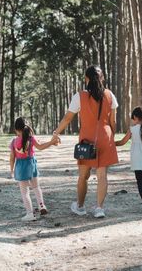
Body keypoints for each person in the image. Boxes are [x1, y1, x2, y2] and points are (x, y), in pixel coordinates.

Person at [52, 65, 118, 218]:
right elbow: (112, 121)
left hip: (87, 140)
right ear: (102, 78)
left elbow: (68, 118)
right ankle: (99, 208)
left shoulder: (79, 96)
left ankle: (80, 206)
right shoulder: (110, 95)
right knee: (102, 175)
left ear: (86, 79)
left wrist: (56, 132)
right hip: (106, 136)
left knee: (83, 176)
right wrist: (111, 137)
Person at [9, 117, 59, 222]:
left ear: (16, 129)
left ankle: (30, 214)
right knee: (36, 187)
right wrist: (51, 142)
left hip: (21, 167)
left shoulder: (14, 141)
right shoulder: (31, 139)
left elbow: (12, 158)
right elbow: (40, 147)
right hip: (31, 164)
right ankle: (42, 206)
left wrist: (11, 170)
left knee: (25, 192)